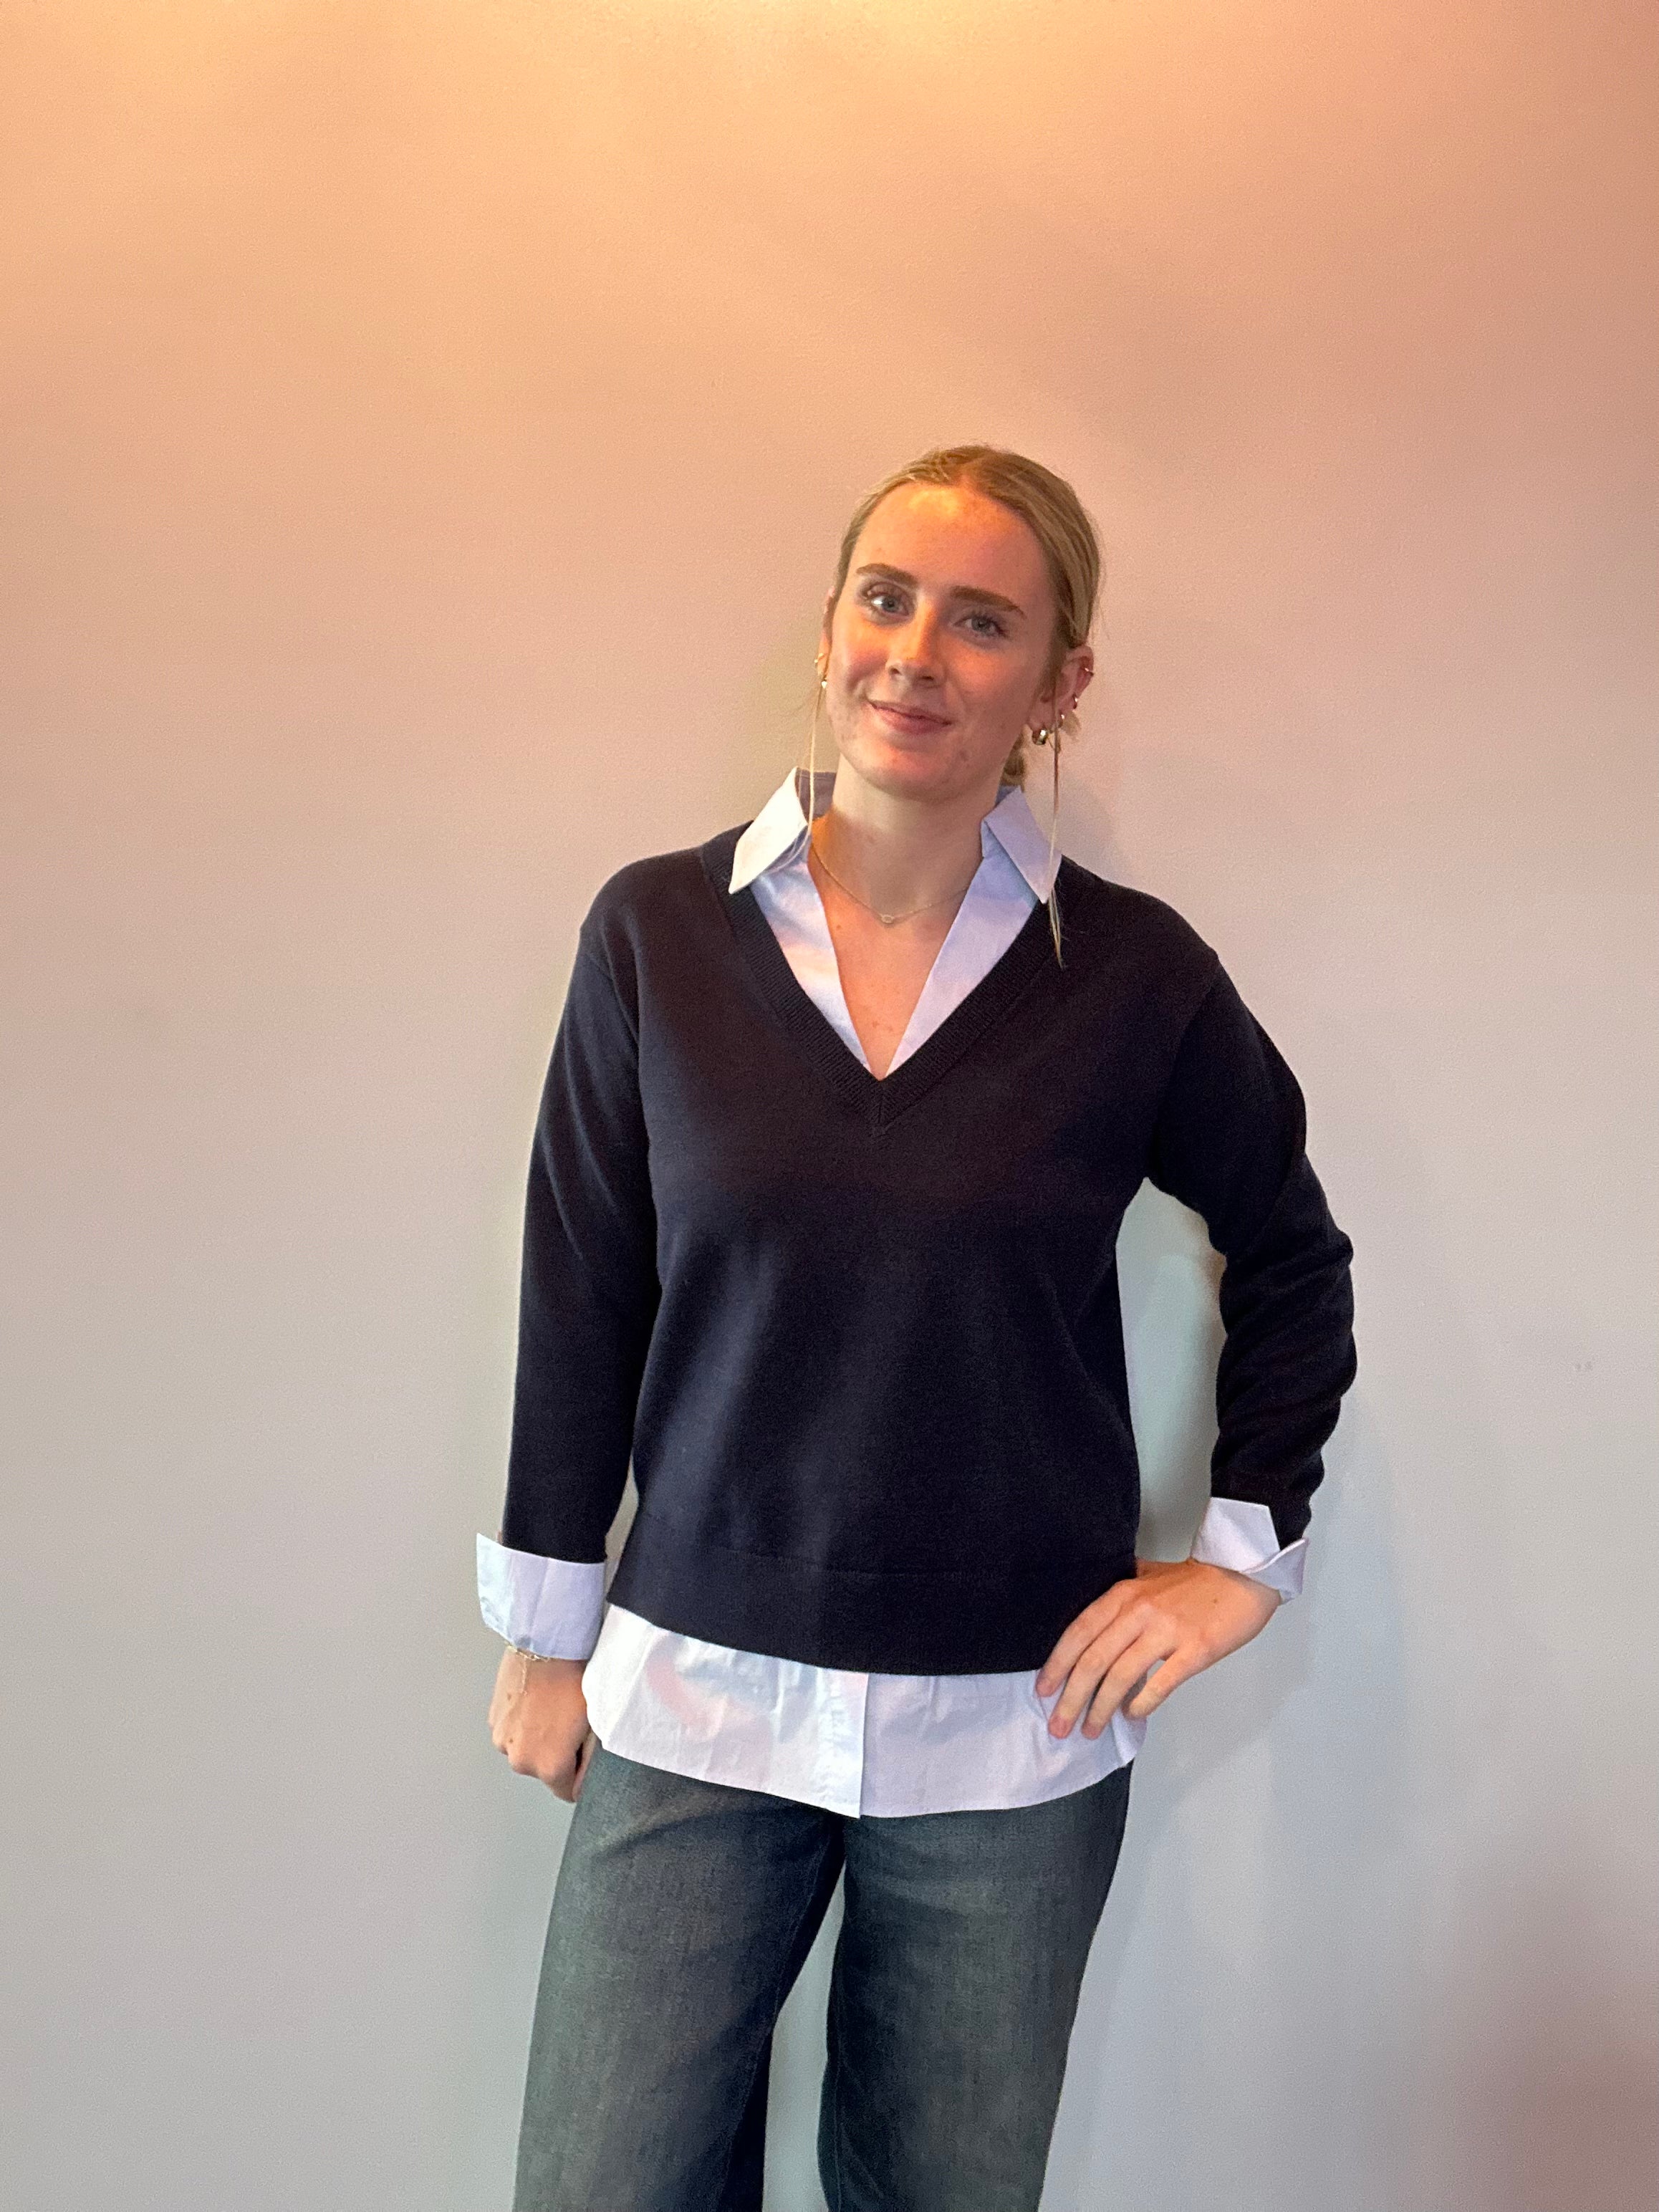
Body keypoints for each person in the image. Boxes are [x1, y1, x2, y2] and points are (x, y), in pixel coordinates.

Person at [478, 444, 1358, 2212]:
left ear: (1059, 682)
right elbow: (583, 1282)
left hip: (1014, 1726)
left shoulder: (1133, 977)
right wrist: (546, 1630)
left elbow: (1291, 1251)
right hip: (695, 1696)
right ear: (829, 629)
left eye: (983, 621)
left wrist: (1240, 1563)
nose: (918, 654)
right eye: (887, 599)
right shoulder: (658, 933)